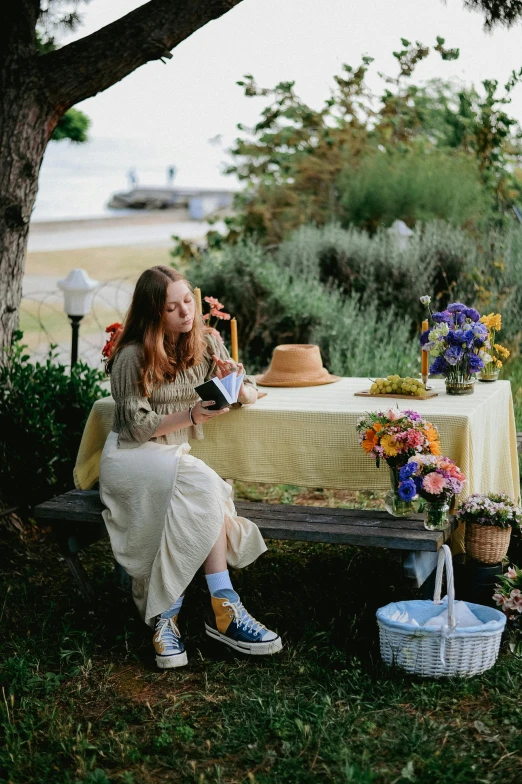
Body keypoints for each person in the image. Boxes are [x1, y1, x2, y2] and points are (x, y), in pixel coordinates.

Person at [99, 265, 282, 669]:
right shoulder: (131, 356)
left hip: (173, 458)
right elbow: (136, 426)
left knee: (198, 495)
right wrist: (194, 415)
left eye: (188, 302)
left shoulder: (204, 341)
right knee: (207, 486)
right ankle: (223, 609)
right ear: (153, 313)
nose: (185, 313)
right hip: (133, 457)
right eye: (172, 307)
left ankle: (170, 619)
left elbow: (245, 392)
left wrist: (235, 382)